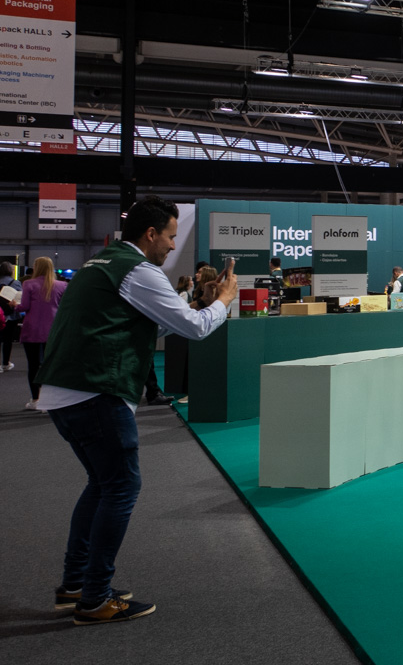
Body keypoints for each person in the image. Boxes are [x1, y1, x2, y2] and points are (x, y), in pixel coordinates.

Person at [36, 196, 238, 625]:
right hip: (97, 392)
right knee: (121, 488)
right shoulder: (139, 270)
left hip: (64, 391)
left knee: (102, 485)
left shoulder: (101, 264)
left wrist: (197, 303)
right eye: (170, 237)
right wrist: (223, 301)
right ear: (150, 234)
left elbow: (148, 321)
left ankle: (77, 584)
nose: (172, 245)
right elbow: (195, 330)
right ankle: (95, 598)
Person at [15, 257, 69, 411]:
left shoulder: (29, 284)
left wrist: (14, 305)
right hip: (53, 330)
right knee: (50, 366)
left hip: (32, 329)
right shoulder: (62, 285)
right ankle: (50, 399)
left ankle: (36, 399)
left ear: (36, 267)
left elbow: (24, 306)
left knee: (33, 365)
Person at [0, 261, 20, 371]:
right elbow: (19, 298)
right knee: (8, 340)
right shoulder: (15, 282)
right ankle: (5, 363)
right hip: (11, 316)